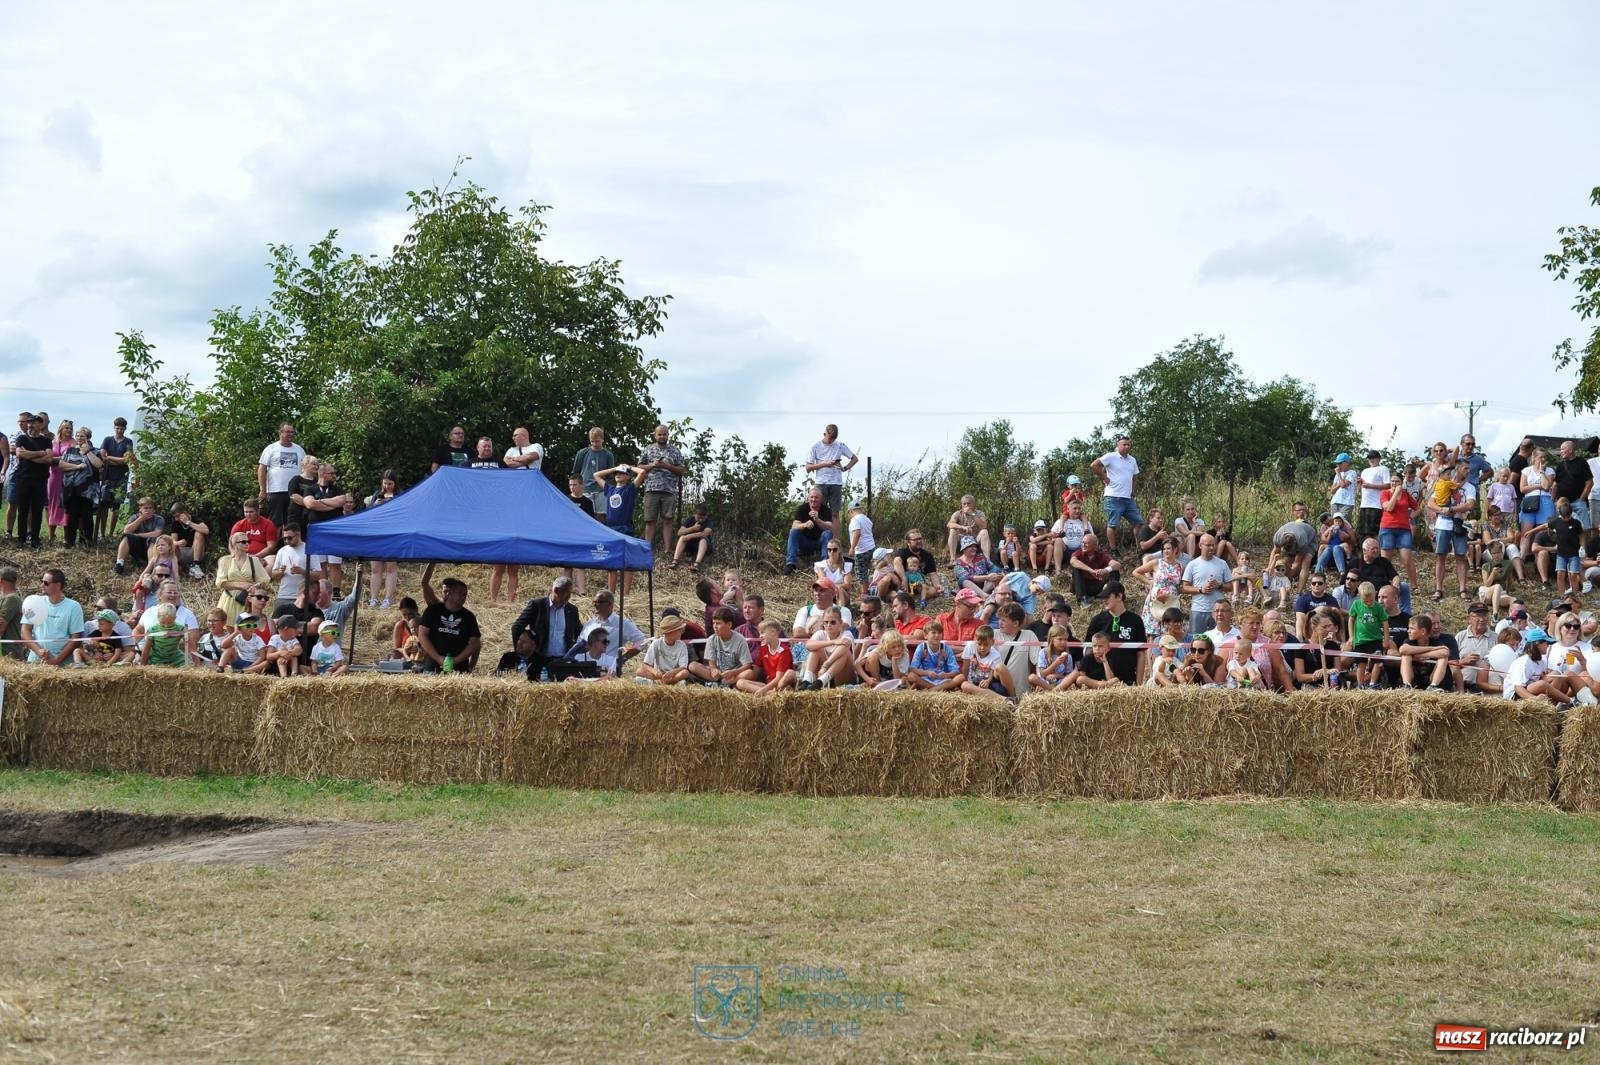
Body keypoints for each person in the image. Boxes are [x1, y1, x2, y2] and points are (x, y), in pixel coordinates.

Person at [511, 576, 582, 677]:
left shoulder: (572, 610)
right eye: (567, 593)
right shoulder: (537, 606)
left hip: (562, 661)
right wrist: (520, 652)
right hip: (538, 659)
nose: (569, 597)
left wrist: (574, 652)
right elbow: (517, 627)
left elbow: (579, 632)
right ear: (556, 590)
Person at [637, 423, 687, 561]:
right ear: (655, 435)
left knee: (668, 520)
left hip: (669, 490)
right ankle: (647, 548)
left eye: (664, 434)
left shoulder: (675, 451)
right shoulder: (648, 449)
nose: (662, 436)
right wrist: (652, 465)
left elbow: (682, 470)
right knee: (650, 520)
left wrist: (667, 466)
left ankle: (667, 549)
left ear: (668, 435)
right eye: (659, 434)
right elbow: (639, 467)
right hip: (651, 489)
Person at [20, 568, 84, 666]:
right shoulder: (34, 603)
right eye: (41, 581)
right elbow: (25, 631)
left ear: (58, 585)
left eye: (46, 583)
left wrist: (57, 660)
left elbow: (76, 638)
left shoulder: (74, 607)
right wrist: (38, 651)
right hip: (35, 663)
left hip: (63, 665)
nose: (41, 585)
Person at [1085, 582, 1146, 685]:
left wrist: (1139, 684)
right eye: (1103, 597)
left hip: (1128, 680)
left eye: (1107, 596)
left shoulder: (1135, 620)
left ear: (1119, 596)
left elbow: (1141, 653)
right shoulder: (1097, 620)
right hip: (1101, 680)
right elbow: (1089, 649)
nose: (1104, 600)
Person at [418, 577, 482, 672]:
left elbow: (475, 642)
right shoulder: (433, 611)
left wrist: (456, 660)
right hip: (432, 664)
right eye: (459, 593)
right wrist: (438, 658)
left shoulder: (469, 617)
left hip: (460, 666)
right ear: (449, 593)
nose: (463, 597)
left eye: (465, 594)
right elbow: (422, 635)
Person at [1090, 435, 1142, 553]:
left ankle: (1139, 548)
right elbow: (1094, 465)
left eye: (1128, 444)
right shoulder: (1111, 456)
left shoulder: (1132, 460)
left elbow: (1135, 476)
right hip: (1113, 497)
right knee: (1113, 524)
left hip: (1128, 498)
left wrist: (1133, 490)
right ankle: (1113, 549)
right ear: (1118, 445)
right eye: (1124, 444)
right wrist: (1104, 477)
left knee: (1138, 522)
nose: (1126, 446)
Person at [58, 426, 103, 548]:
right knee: (72, 516)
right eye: (77, 435)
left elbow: (99, 465)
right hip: (71, 488)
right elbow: (61, 465)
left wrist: (87, 452)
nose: (78, 437)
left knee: (87, 516)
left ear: (88, 437)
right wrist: (76, 467)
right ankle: (70, 541)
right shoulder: (70, 450)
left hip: (88, 490)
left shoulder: (95, 451)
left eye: (82, 435)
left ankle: (87, 541)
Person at [1180, 533, 1232, 637]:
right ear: (1200, 545)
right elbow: (1184, 587)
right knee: (1197, 640)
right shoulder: (1192, 564)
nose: (1212, 548)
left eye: (1213, 545)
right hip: (1198, 610)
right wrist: (1201, 589)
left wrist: (1219, 585)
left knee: (1217, 641)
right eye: (1208, 545)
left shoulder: (1222, 563)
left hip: (1218, 611)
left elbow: (1230, 587)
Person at [691, 606, 755, 688]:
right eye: (714, 623)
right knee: (692, 665)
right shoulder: (711, 639)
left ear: (729, 624)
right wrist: (714, 670)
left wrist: (734, 672)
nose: (715, 626)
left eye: (718, 623)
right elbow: (712, 663)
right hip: (718, 674)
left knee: (749, 673)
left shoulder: (740, 640)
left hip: (733, 674)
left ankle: (720, 684)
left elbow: (747, 665)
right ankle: (721, 684)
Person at [257, 423, 307, 527]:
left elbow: (306, 469)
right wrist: (262, 490)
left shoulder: (299, 450)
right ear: (280, 433)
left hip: (295, 491)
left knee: (293, 521)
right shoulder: (271, 448)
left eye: (292, 432)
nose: (290, 434)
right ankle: (273, 538)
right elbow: (262, 469)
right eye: (287, 432)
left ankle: (292, 538)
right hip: (276, 490)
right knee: (274, 521)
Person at [1504, 627, 1569, 706]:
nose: (1548, 646)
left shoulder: (1541, 661)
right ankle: (1570, 701)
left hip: (1527, 692)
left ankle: (1549, 707)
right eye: (1546, 643)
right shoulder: (1524, 662)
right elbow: (1517, 687)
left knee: (1557, 676)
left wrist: (1547, 673)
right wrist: (1534, 699)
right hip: (1514, 697)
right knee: (1543, 683)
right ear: (1538, 644)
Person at [365, 471, 401, 608]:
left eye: (390, 484)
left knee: (391, 567)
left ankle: (388, 599)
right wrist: (375, 505)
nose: (387, 486)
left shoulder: (399, 495)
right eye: (385, 483)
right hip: (376, 534)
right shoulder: (376, 495)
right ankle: (373, 598)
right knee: (375, 568)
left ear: (395, 484)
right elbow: (368, 513)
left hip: (392, 534)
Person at [96, 416, 135, 541]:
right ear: (114, 427)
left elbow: (126, 460)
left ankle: (111, 533)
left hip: (121, 478)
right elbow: (102, 455)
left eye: (122, 429)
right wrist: (113, 459)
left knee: (116, 507)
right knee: (103, 505)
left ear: (125, 429)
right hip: (107, 477)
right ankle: (102, 533)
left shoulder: (128, 441)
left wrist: (110, 458)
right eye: (117, 428)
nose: (119, 431)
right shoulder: (107, 439)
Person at [1134, 537, 1184, 633]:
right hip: (1156, 599)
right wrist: (1149, 581)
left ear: (1175, 549)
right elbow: (1136, 572)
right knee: (1152, 631)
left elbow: (1180, 584)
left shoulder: (1180, 567)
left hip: (1171, 601)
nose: (1166, 551)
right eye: (1164, 549)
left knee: (1170, 630)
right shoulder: (1157, 562)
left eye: (1168, 548)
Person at [805, 424, 857, 515]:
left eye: (833, 439)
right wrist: (825, 464)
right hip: (821, 483)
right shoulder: (815, 447)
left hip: (836, 483)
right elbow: (808, 467)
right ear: (824, 434)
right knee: (819, 512)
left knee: (835, 513)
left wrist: (845, 468)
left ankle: (834, 525)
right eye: (829, 438)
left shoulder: (840, 445)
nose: (831, 441)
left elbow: (855, 459)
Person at [215, 532, 271, 617]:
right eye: (244, 542)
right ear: (235, 544)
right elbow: (220, 583)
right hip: (229, 598)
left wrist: (255, 586)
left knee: (247, 623)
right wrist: (241, 585)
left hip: (247, 599)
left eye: (248, 541)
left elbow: (264, 580)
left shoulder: (254, 560)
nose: (247, 544)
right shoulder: (225, 560)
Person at [739, 619, 798, 694]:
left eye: (762, 633)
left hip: (779, 683)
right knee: (740, 682)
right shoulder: (763, 647)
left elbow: (778, 678)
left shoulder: (784, 650)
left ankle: (772, 693)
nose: (760, 636)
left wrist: (763, 690)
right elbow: (756, 670)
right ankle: (771, 694)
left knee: (790, 674)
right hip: (768, 684)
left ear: (773, 632)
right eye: (759, 633)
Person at [786, 487, 835, 575]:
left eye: (816, 497)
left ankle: (825, 563)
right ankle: (790, 564)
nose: (813, 499)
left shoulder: (826, 510)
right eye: (811, 497)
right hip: (804, 543)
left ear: (821, 499)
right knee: (793, 532)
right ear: (808, 498)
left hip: (819, 544)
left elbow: (830, 527)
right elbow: (794, 526)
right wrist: (805, 525)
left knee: (828, 533)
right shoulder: (802, 509)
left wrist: (818, 520)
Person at [571, 427, 615, 522]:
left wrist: (608, 490)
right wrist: (576, 488)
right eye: (592, 441)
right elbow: (575, 473)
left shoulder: (608, 455)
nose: (595, 444)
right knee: (584, 516)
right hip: (585, 489)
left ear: (602, 439)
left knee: (600, 517)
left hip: (601, 490)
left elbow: (610, 476)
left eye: (597, 441)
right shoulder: (582, 453)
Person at [637, 613, 692, 684]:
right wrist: (656, 672)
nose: (681, 632)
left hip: (673, 675)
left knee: (685, 673)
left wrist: (673, 672)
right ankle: (665, 682)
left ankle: (660, 682)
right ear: (670, 632)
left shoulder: (682, 645)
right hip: (658, 675)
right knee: (639, 671)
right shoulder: (656, 643)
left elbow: (683, 667)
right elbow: (646, 665)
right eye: (679, 630)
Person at [908, 619, 962, 691]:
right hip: (925, 679)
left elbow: (955, 670)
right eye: (933, 633)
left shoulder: (946, 648)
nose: (937, 635)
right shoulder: (921, 647)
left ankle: (931, 689)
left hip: (943, 680)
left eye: (939, 633)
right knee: (911, 676)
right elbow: (913, 668)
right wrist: (927, 673)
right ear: (925, 635)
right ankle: (936, 688)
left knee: (961, 677)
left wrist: (947, 675)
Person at [1068, 532, 1120, 605]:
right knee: (1076, 568)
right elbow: (1073, 561)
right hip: (1083, 587)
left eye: (1086, 543)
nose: (1083, 545)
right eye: (1082, 543)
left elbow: (1117, 564)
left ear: (1095, 545)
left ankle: (1109, 594)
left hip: (1097, 586)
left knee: (1114, 571)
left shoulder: (1102, 555)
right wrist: (1091, 570)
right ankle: (1082, 599)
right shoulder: (1078, 553)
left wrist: (1105, 570)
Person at [892, 530, 944, 600]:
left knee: (934, 591)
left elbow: (933, 574)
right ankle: (905, 597)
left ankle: (907, 598)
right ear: (908, 542)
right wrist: (904, 579)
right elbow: (896, 562)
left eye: (920, 538)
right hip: (904, 585)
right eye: (915, 539)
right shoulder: (903, 552)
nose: (919, 541)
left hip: (918, 585)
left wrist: (938, 585)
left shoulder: (927, 555)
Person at [1356, 449, 1391, 544]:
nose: (1371, 460)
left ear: (1379, 459)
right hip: (1364, 504)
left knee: (1375, 531)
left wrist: (1371, 486)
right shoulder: (1365, 471)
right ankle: (1368, 550)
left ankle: (1378, 550)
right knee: (1365, 532)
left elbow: (1388, 485)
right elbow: (1360, 489)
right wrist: (1359, 484)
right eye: (1370, 458)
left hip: (1376, 505)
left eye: (1373, 458)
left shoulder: (1383, 469)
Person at [945, 495, 992, 564]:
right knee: (952, 530)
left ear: (973, 504)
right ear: (961, 505)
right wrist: (962, 527)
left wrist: (972, 514)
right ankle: (952, 559)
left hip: (975, 539)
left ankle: (987, 560)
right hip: (961, 539)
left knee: (985, 531)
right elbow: (949, 524)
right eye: (964, 504)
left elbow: (984, 526)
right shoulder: (958, 513)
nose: (966, 505)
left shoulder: (979, 513)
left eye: (968, 503)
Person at [1029, 624, 1077, 690]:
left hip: (1061, 682)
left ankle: (1053, 690)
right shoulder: (1043, 652)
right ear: (1052, 639)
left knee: (1074, 676)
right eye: (1060, 639)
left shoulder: (1068, 656)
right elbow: (1042, 674)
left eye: (1065, 639)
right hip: (1045, 682)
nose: (1063, 642)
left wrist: (1057, 676)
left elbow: (1068, 676)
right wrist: (1056, 663)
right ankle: (1054, 690)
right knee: (1032, 677)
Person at [672, 504, 714, 571]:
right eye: (698, 518)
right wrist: (692, 528)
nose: (700, 520)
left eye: (703, 518)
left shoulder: (709, 521)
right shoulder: (690, 519)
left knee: (703, 540)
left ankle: (697, 564)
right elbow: (679, 533)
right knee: (682, 537)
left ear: (706, 516)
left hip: (704, 546)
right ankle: (675, 561)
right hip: (690, 545)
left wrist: (690, 536)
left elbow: (706, 533)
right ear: (694, 514)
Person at [846, 499, 876, 583]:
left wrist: (852, 548)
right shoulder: (867, 519)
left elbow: (857, 533)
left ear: (851, 511)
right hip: (872, 547)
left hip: (861, 550)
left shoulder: (854, 520)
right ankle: (871, 585)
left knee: (861, 573)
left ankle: (864, 590)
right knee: (870, 569)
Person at [0, 566, 22, 661]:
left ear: (1, 580)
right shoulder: (6, 598)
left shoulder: (11, 599)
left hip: (9, 654)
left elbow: (1, 627)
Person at [1329, 452, 1357, 521]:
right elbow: (1332, 491)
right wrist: (1339, 483)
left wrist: (1338, 474)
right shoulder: (1337, 475)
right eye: (1337, 463)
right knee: (1334, 522)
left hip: (1346, 502)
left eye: (1340, 463)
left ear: (1346, 463)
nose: (1338, 465)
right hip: (1335, 501)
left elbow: (1343, 485)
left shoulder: (1352, 473)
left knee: (1344, 522)